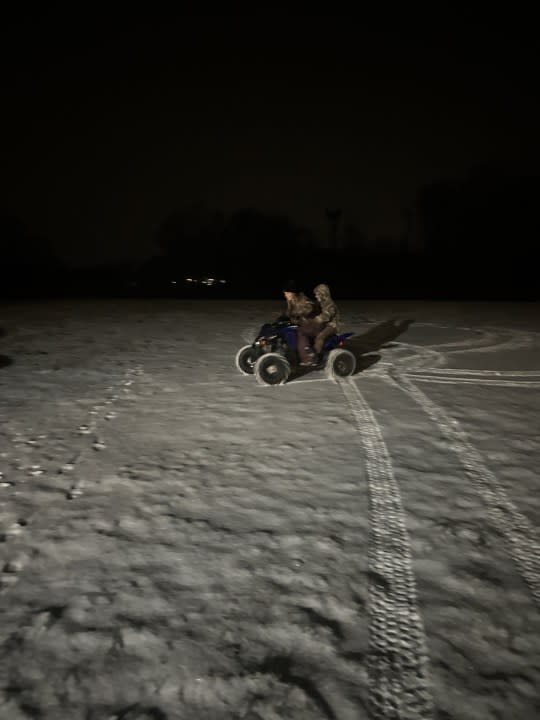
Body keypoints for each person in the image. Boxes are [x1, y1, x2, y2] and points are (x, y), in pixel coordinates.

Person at [296, 283, 342, 365]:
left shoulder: (330, 304)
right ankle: (307, 351)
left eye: (317, 294)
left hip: (332, 326)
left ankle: (315, 356)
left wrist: (316, 319)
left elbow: (326, 316)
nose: (316, 296)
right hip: (323, 324)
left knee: (319, 337)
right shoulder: (320, 303)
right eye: (316, 294)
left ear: (323, 294)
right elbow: (313, 309)